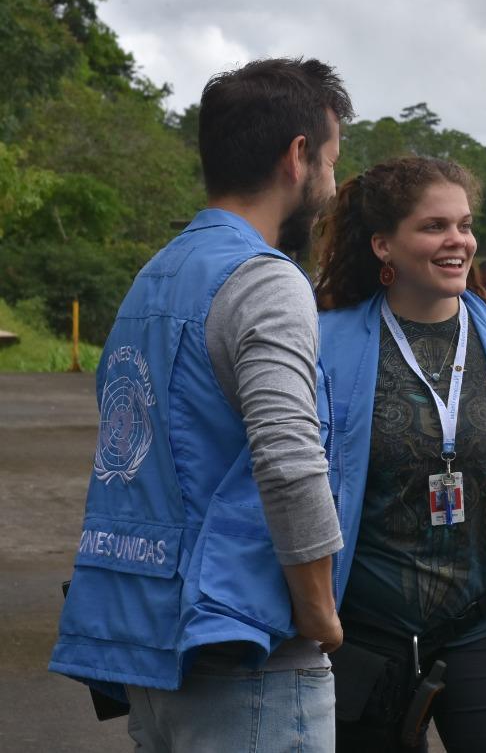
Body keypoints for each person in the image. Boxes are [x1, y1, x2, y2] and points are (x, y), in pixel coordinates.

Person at [50, 58, 355, 751]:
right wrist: (320, 612)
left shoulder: (154, 276)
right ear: (298, 157)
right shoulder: (266, 281)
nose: (334, 187)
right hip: (248, 656)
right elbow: (289, 460)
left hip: (153, 644)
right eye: (333, 163)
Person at [313, 157, 486, 752]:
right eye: (434, 226)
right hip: (361, 633)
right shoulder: (325, 344)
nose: (458, 241)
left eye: (464, 225)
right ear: (383, 245)